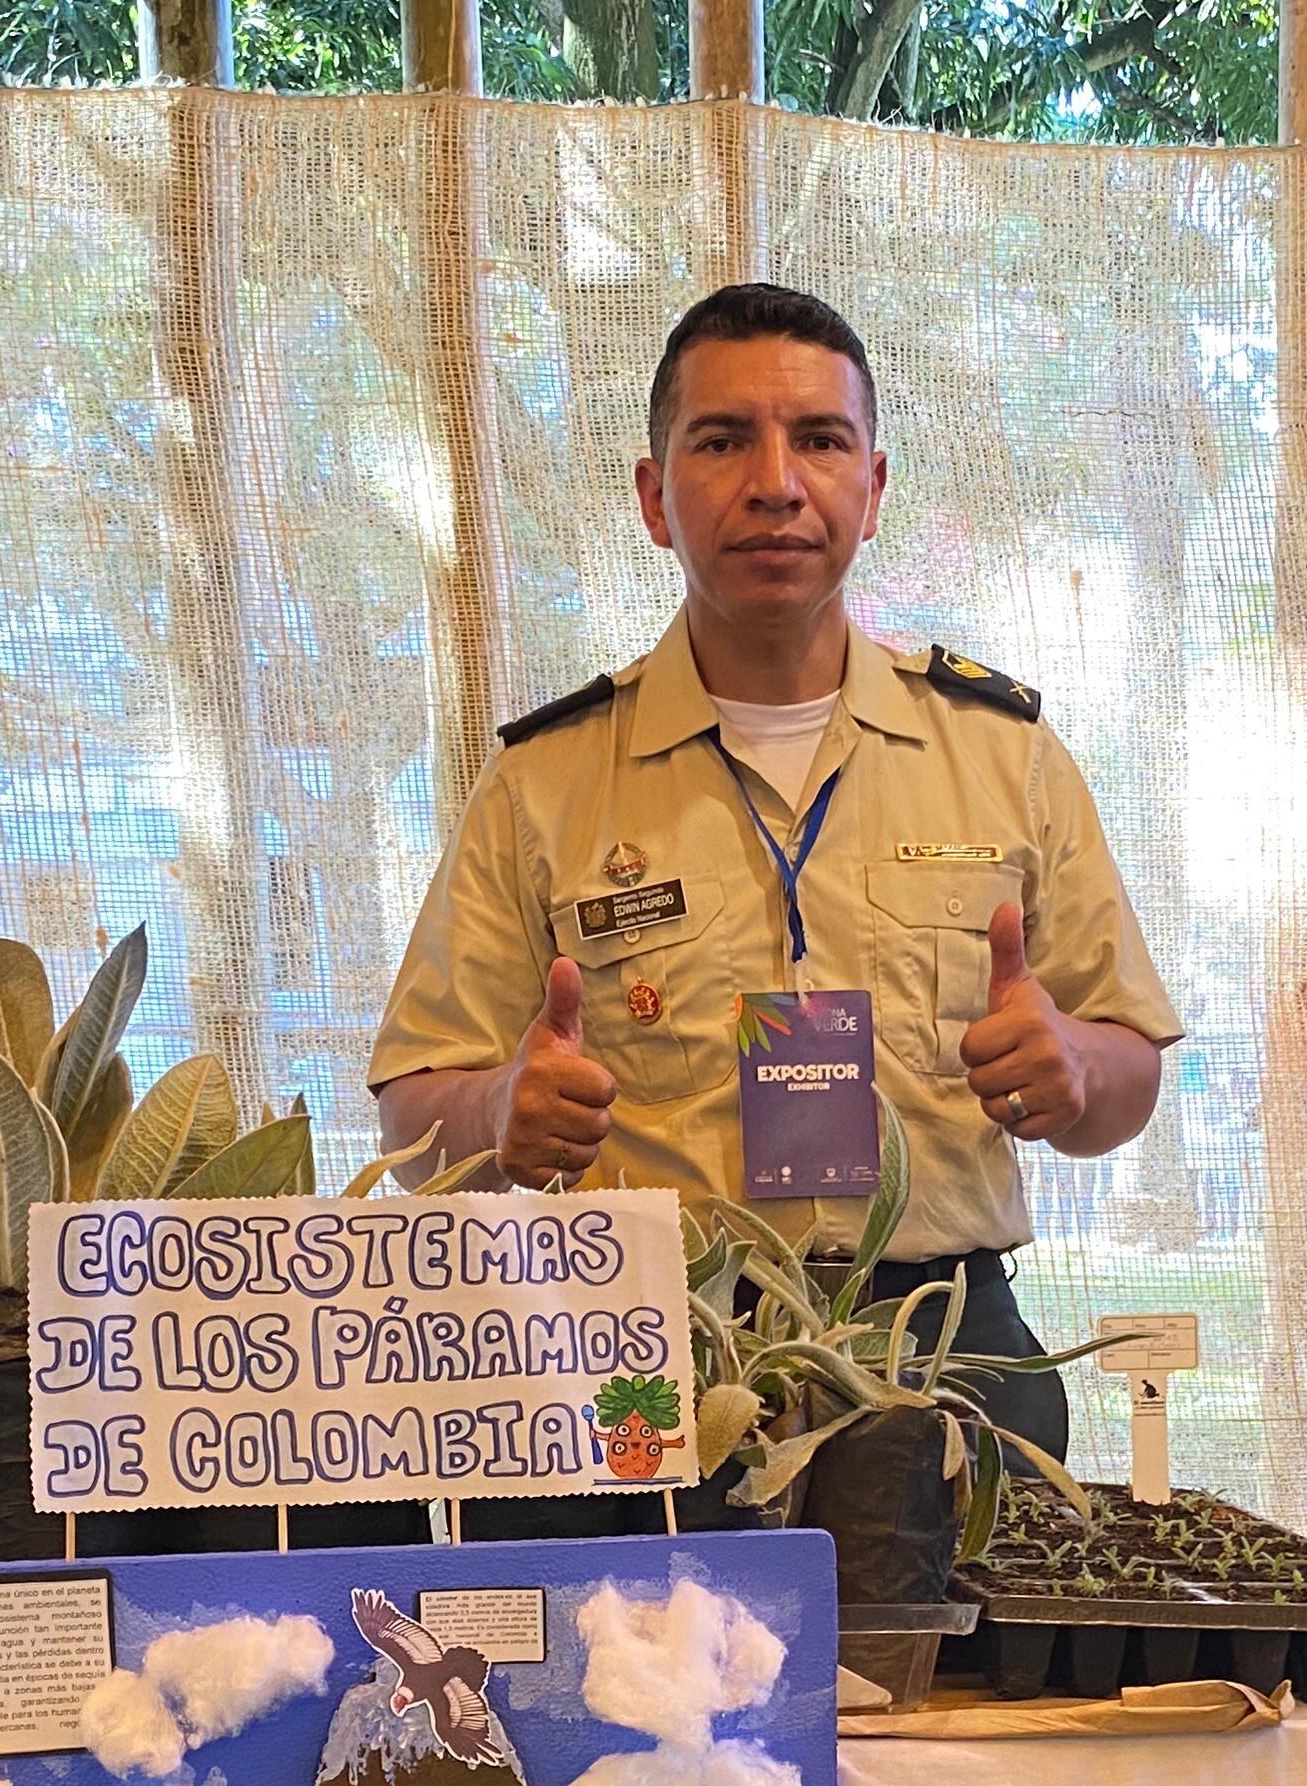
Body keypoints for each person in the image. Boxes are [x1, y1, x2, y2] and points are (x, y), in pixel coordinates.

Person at [371, 281, 1177, 1468]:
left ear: (873, 486)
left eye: (819, 440)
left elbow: (1129, 1074)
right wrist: (497, 1114)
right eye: (720, 441)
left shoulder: (1003, 756)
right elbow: (412, 1109)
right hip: (647, 1355)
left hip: (943, 1353)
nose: (776, 483)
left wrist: (1075, 1067)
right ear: (655, 498)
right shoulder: (546, 783)